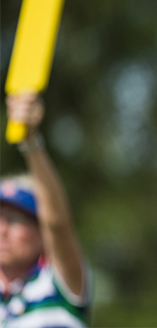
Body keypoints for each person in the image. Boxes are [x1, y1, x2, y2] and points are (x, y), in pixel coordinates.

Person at [1, 93, 91, 327]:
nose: (2, 230)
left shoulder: (57, 284)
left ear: (41, 233)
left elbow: (58, 225)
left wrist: (31, 142)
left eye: (15, 220)